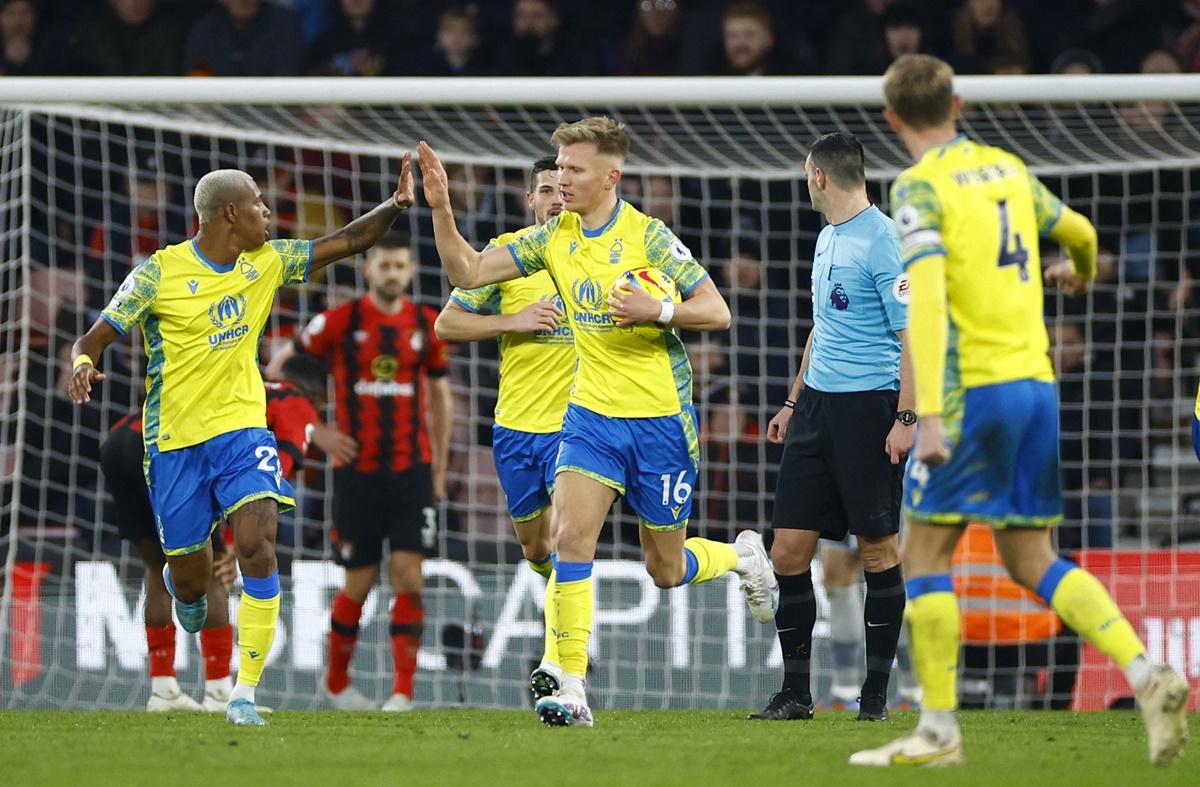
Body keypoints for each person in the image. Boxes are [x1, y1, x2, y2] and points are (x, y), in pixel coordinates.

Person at [850, 54, 1189, 768]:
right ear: (960, 103)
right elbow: (1085, 236)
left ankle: (939, 731)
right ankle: (1143, 670)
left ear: (891, 119)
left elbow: (932, 298)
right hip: (1037, 389)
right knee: (1032, 556)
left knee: (923, 553)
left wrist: (932, 415)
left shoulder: (919, 186)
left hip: (973, 395)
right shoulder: (1007, 168)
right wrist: (1083, 277)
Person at [417, 116, 778, 728]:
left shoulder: (651, 238)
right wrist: (441, 208)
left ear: (611, 176)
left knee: (664, 570)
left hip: (661, 421)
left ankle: (741, 558)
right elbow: (469, 274)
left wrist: (657, 308)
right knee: (569, 542)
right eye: (558, 169)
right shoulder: (553, 237)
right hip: (590, 418)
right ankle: (572, 686)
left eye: (574, 169)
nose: (562, 180)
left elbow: (715, 311)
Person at [67, 153, 415, 727]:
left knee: (256, 543)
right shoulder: (160, 271)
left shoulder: (268, 262)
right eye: (258, 204)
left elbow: (350, 241)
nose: (268, 213)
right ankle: (193, 599)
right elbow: (99, 333)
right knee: (188, 580)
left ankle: (243, 695)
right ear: (231, 212)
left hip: (242, 431)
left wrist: (397, 205)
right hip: (175, 443)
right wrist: (84, 360)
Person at [750, 132, 912, 724]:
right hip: (816, 409)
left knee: (877, 550)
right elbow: (821, 328)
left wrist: (906, 417)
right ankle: (796, 693)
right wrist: (793, 403)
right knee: (788, 550)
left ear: (819, 176)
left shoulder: (884, 239)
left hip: (869, 409)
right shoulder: (826, 237)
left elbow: (910, 335)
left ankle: (874, 694)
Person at [267, 231, 452, 713]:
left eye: (400, 266)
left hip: (412, 472)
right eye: (384, 266)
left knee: (409, 577)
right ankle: (336, 681)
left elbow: (440, 397)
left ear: (411, 272)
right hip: (356, 473)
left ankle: (402, 693)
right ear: (368, 270)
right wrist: (317, 429)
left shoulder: (426, 324)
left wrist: (440, 464)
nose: (392, 274)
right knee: (359, 582)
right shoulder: (340, 321)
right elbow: (278, 370)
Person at [100, 353, 324, 712]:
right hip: (173, 454)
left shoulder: (250, 386)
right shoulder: (295, 402)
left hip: (123, 442)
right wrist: (234, 545)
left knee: (161, 567)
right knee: (214, 568)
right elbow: (268, 479)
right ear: (320, 395)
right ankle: (220, 690)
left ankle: (163, 690)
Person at [434, 156, 569, 697]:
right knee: (536, 550)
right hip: (515, 429)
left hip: (578, 425)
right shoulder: (508, 258)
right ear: (529, 200)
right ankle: (564, 615)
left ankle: (558, 663)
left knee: (567, 541)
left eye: (564, 188)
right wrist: (512, 320)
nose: (557, 197)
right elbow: (447, 324)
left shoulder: (599, 254)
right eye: (546, 190)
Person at [184, 0, 305, 77]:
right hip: (218, 110)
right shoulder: (205, 28)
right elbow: (197, 74)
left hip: (270, 110)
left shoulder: (284, 23)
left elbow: (286, 75)